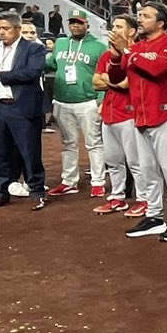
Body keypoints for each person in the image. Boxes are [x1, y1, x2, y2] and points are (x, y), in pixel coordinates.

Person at [109, 4, 167, 242]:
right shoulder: (136, 48)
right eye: (140, 15)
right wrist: (116, 56)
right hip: (141, 115)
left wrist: (128, 52)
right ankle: (155, 215)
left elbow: (156, 69)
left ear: (161, 22)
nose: (140, 19)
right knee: (148, 170)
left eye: (146, 16)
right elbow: (116, 77)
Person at [0, 12, 49, 211]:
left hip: (22, 108)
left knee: (30, 152)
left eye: (6, 28)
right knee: (0, 153)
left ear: (18, 29)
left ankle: (37, 192)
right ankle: (2, 192)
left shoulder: (34, 49)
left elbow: (32, 73)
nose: (1, 32)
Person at [48, 11, 108, 197]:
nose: (75, 26)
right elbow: (51, 64)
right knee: (68, 143)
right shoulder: (61, 43)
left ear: (87, 24)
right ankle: (68, 181)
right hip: (62, 100)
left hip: (88, 100)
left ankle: (98, 182)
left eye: (79, 22)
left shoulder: (99, 47)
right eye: (72, 22)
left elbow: (104, 75)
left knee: (94, 143)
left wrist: (101, 100)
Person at [92, 14, 141, 214]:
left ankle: (145, 199)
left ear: (131, 31)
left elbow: (126, 84)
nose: (114, 30)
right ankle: (117, 197)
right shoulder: (107, 55)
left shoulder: (137, 53)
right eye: (113, 26)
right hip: (109, 114)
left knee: (135, 162)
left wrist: (107, 79)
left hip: (129, 113)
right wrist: (111, 81)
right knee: (113, 161)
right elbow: (95, 82)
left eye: (119, 26)